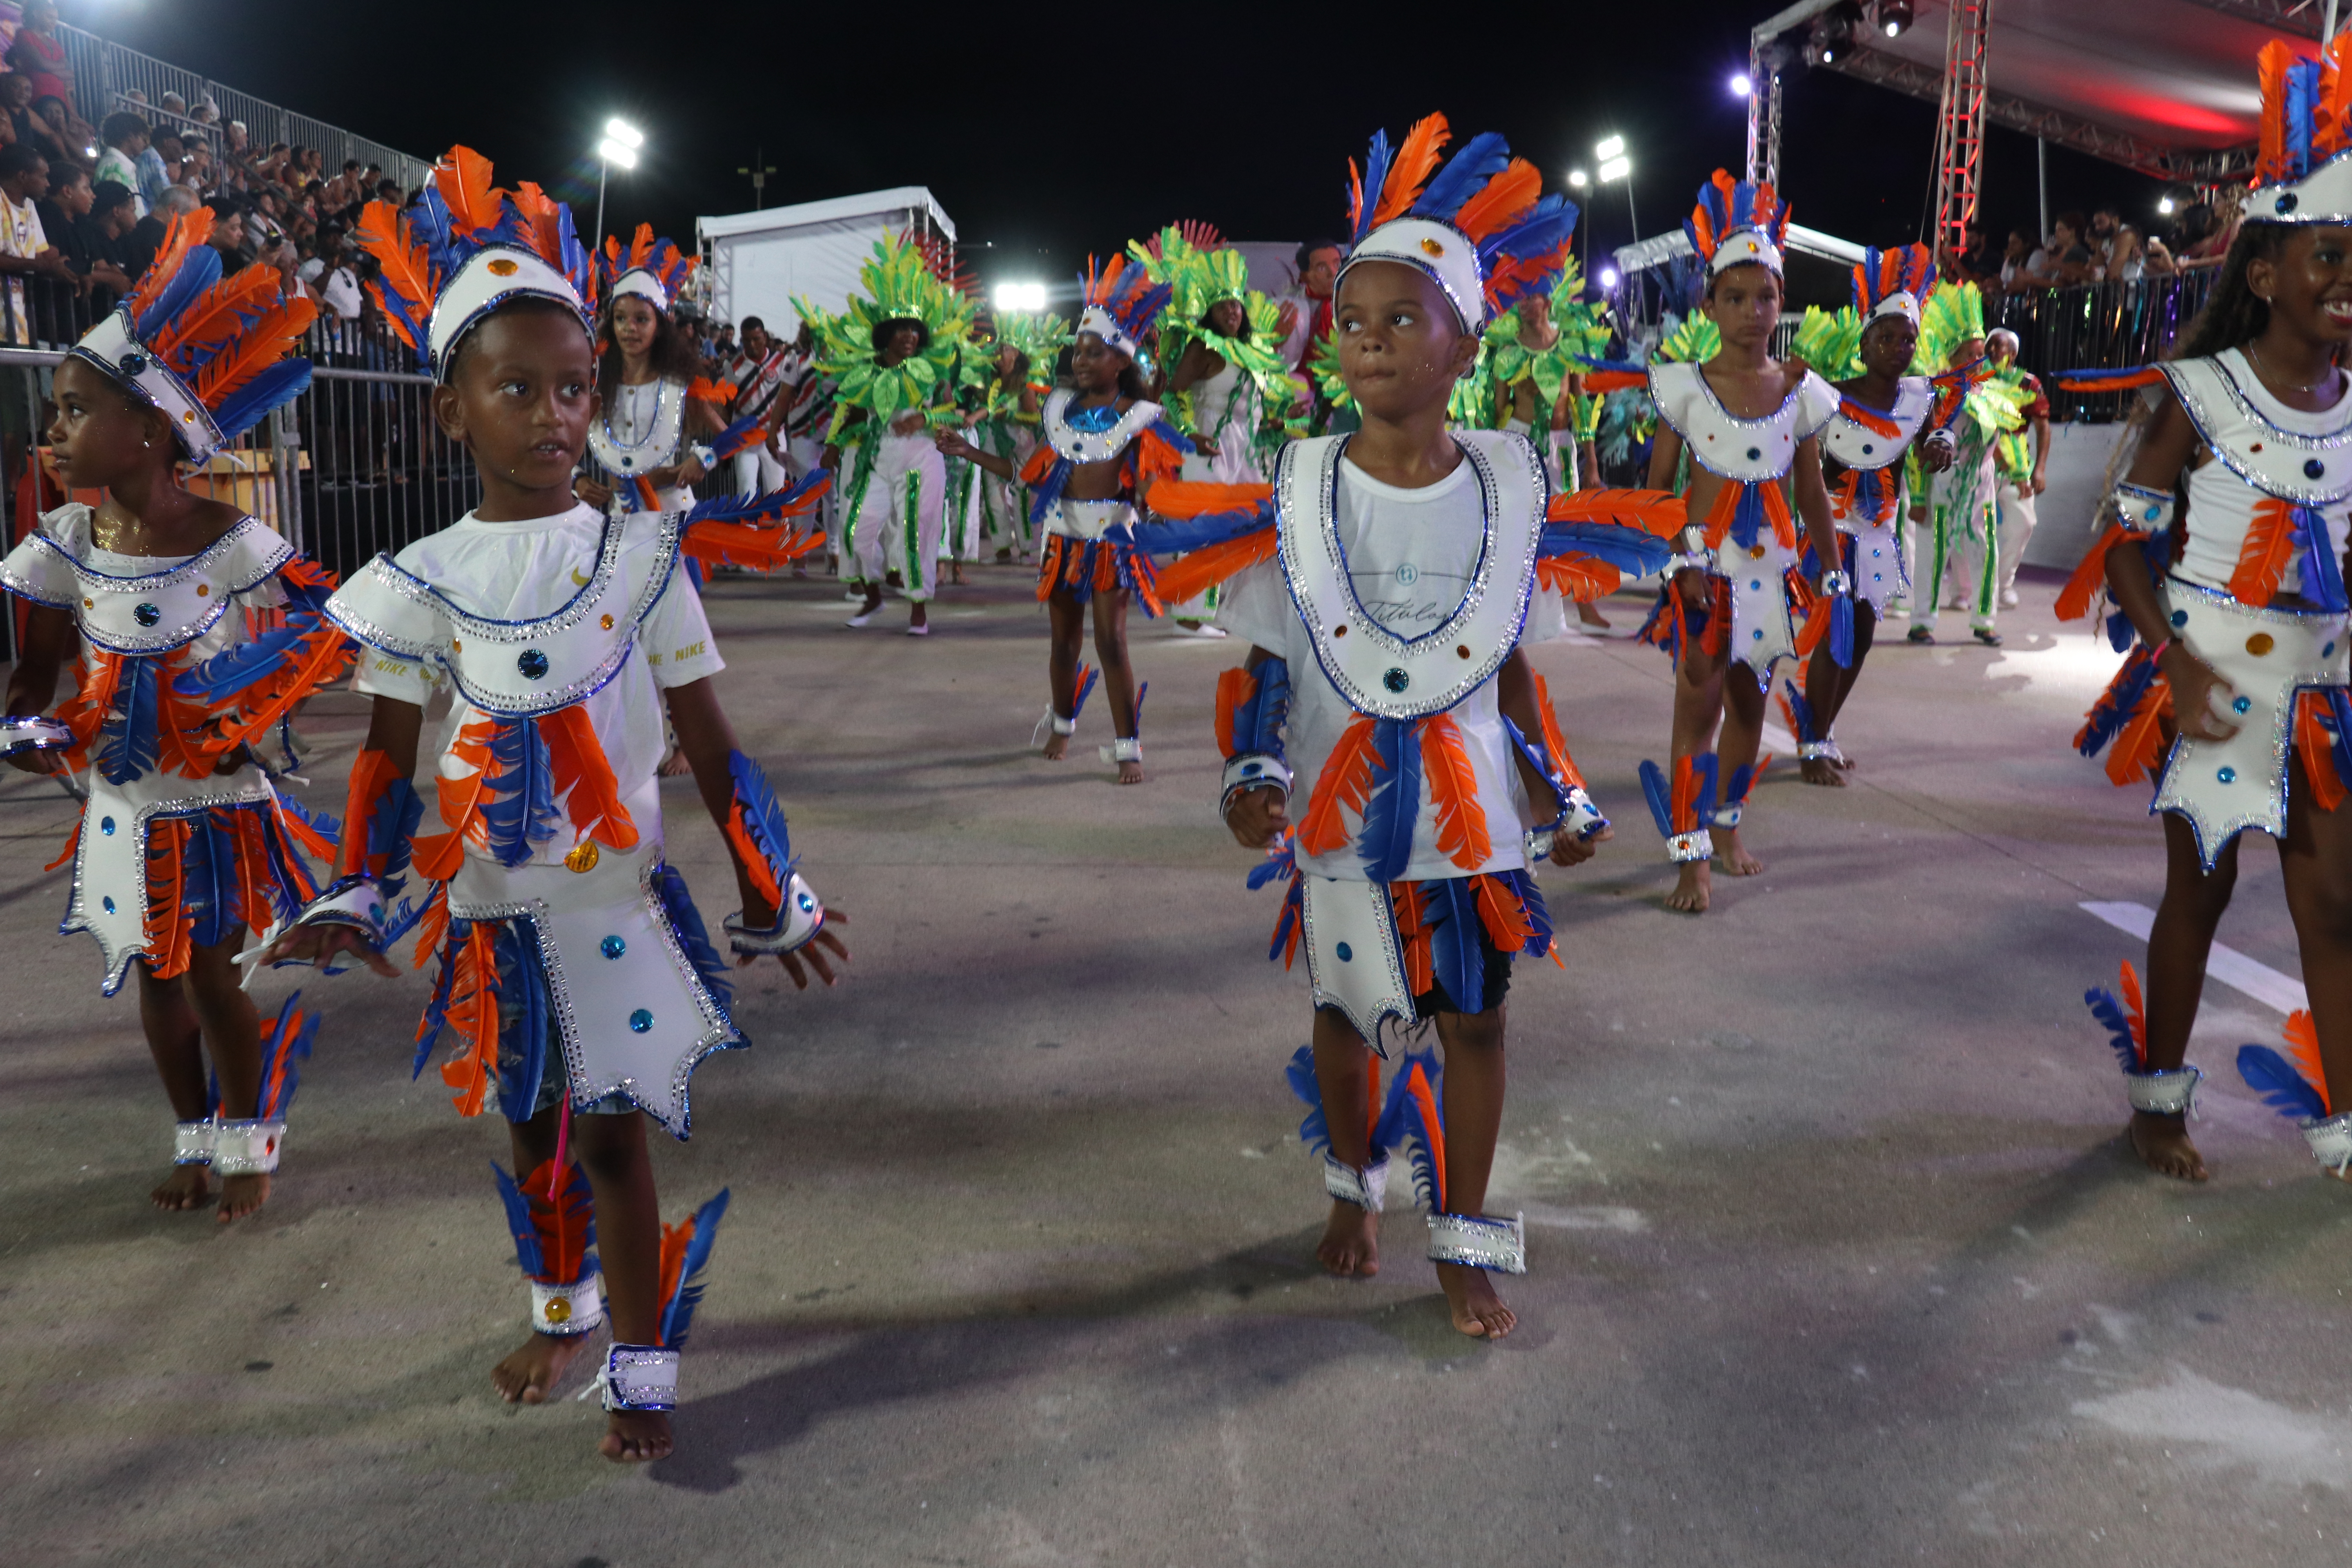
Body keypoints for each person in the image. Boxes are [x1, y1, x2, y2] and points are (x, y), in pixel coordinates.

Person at [288, 147, 847, 1464]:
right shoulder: (417, 578)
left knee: (610, 1142)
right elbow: (382, 761)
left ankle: (644, 1364)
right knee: (529, 1124)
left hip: (614, 907)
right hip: (489, 916)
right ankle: (564, 1309)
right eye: (516, 388)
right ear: (452, 413)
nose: (551, 413)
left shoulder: (642, 558)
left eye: (573, 387)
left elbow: (714, 748)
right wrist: (356, 889)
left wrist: (776, 882)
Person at [1214, 114, 1606, 1339]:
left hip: (1473, 807)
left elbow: (1515, 670)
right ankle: (1352, 1187)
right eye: (1353, 323)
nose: (1371, 344)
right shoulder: (1296, 483)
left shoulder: (1509, 483)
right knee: (1343, 1014)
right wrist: (1247, 770)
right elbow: (1264, 663)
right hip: (1335, 805)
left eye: (1401, 319)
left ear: (1465, 339)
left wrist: (1560, 786)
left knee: (1475, 1016)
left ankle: (1464, 1233)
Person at [0, 202, 333, 1223]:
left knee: (218, 984)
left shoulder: (232, 536)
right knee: (152, 981)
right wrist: (26, 727)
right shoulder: (60, 539)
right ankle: (195, 1141)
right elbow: (37, 671)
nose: (48, 432)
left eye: (69, 410)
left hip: (216, 806)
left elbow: (328, 628)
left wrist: (268, 688)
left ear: (146, 427)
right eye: (51, 412)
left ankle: (250, 1146)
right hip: (120, 806)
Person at [2071, 38, 2352, 1187]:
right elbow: (2122, 546)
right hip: (2215, 668)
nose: (2347, 280)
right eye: (2329, 256)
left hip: (2323, 684)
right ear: (2263, 274)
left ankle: (2339, 1123)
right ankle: (2153, 1104)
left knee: (2332, 904)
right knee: (2201, 884)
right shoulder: (2200, 394)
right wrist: (2171, 667)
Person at [1637, 170, 1842, 913]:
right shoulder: (1681, 386)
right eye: (1735, 298)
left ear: (1782, 302)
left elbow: (1812, 489)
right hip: (1705, 574)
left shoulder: (1800, 391)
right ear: (1709, 304)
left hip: (1771, 576)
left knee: (1751, 711)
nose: (1753, 313)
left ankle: (1726, 828)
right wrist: (1681, 563)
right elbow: (1660, 492)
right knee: (1697, 709)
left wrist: (1832, 571)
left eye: (1766, 298)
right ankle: (1689, 860)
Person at [937, 251, 1192, 777]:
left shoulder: (1142, 417)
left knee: (1111, 641)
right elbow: (1025, 472)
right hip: (1062, 535)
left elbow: (1155, 474)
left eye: (1093, 353)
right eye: (1077, 352)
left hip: (1111, 540)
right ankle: (1062, 723)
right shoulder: (1058, 411)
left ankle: (1128, 747)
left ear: (1121, 361)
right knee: (1063, 642)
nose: (1080, 361)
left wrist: (1149, 491)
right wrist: (967, 453)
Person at [1785, 246, 1958, 786]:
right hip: (1832, 538)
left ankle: (1823, 731)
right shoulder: (1832, 398)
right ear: (1864, 344)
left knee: (1859, 640)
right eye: (1886, 337)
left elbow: (1938, 428)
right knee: (1835, 635)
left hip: (1880, 539)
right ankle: (1812, 745)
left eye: (1907, 338)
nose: (1898, 347)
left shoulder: (1917, 398)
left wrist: (1943, 443)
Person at [821, 235, 970, 635]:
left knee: (913, 533)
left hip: (920, 459)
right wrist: (834, 444)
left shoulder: (932, 370)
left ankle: (918, 609)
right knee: (855, 530)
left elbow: (950, 410)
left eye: (914, 329)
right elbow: (847, 408)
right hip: (875, 459)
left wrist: (922, 418)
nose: (909, 336)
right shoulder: (865, 371)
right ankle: (872, 595)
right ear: (886, 333)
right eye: (901, 329)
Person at [1156, 231, 1288, 633]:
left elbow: (1250, 408)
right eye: (1223, 305)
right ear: (1210, 313)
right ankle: (1191, 616)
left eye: (1236, 304)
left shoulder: (1250, 353)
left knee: (1253, 527)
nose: (1232, 310)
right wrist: (1188, 434)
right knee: (1206, 528)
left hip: (1244, 452)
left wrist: (1272, 423)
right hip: (1208, 447)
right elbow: (1170, 394)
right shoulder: (1203, 348)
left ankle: (1233, 609)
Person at [1985, 328, 2049, 611]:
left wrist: (2040, 470)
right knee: (1968, 527)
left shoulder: (2029, 383)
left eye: (2003, 347)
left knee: (2024, 524)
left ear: (2015, 354)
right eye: (1992, 347)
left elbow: (2043, 427)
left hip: (2018, 467)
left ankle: (2003, 585)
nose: (1997, 352)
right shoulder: (1977, 379)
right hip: (1981, 463)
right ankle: (1964, 589)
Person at [722, 314, 790, 495]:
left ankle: (781, 524)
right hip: (745, 436)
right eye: (746, 340)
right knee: (746, 490)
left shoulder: (781, 362)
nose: (751, 345)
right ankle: (748, 525)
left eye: (756, 339)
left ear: (765, 337)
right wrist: (726, 439)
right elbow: (728, 403)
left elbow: (789, 397)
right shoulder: (732, 366)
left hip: (774, 434)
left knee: (777, 491)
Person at [6, 2, 71, 113]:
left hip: (62, 101)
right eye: (50, 17)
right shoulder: (24, 34)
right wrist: (59, 71)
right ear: (36, 14)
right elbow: (40, 62)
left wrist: (74, 115)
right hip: (38, 98)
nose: (53, 22)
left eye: (55, 19)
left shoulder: (54, 43)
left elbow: (68, 71)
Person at [95, 113, 147, 217]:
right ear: (130, 137)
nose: (144, 143)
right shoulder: (115, 166)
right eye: (142, 137)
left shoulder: (118, 163)